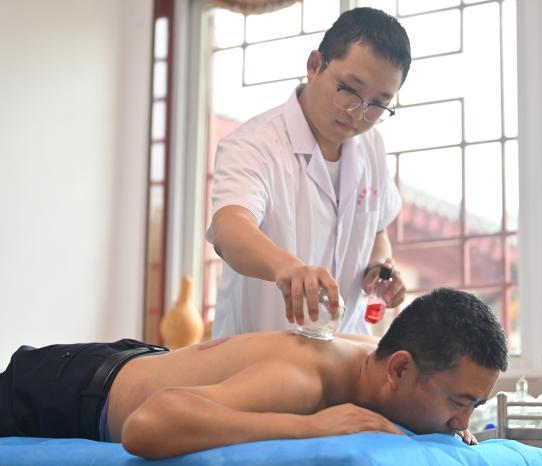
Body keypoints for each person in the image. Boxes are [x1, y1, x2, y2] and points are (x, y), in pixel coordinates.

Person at [0, 289, 508, 459]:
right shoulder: (304, 381)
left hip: (133, 361)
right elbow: (146, 426)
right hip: (63, 389)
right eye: (457, 402)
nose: (461, 421)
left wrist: (450, 418)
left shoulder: (376, 355)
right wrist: (310, 426)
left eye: (474, 405)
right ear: (400, 368)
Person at [207, 7, 412, 337]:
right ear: (315, 65)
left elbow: (377, 232)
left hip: (344, 351)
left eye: (377, 104)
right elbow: (229, 229)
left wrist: (377, 268)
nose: (358, 113)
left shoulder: (371, 146)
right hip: (259, 354)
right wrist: (287, 267)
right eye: (349, 89)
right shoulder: (254, 144)